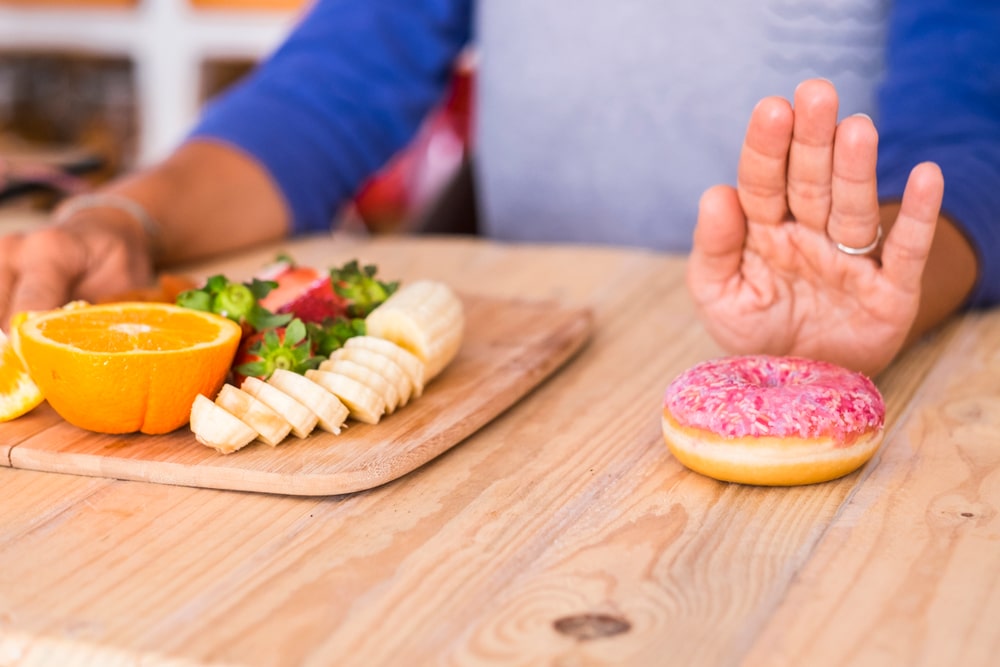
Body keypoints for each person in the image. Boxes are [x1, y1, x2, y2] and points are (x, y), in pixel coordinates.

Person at [1, 0, 997, 378]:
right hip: (547, 368)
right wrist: (123, 215)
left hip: (854, 374)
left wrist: (886, 287)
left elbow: (972, 129)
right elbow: (324, 94)